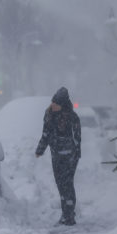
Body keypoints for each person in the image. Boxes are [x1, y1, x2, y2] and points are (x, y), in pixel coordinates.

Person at [35, 87, 81, 226]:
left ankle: (69, 215)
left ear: (62, 104)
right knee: (61, 185)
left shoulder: (72, 117)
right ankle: (67, 213)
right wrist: (40, 150)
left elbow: (77, 138)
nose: (53, 105)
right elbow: (45, 134)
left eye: (56, 103)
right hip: (57, 155)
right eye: (52, 102)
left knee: (67, 184)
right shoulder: (49, 115)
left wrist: (77, 154)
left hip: (69, 156)